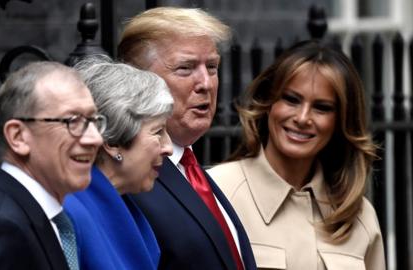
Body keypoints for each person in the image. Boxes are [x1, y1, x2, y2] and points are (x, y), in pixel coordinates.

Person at [207, 40, 386, 270]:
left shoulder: (360, 216)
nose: (302, 118)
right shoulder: (218, 193)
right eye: (291, 99)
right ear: (268, 102)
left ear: (341, 121)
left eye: (322, 107)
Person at [118, 7, 257, 270]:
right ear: (136, 78)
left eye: (212, 67)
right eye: (185, 68)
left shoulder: (192, 168)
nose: (206, 83)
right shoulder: (129, 178)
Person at [0, 61, 105, 270]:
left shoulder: (32, 213)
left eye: (94, 120)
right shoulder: (0, 230)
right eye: (73, 121)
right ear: (18, 136)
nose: (95, 138)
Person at [63, 58, 174, 270]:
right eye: (158, 132)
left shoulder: (126, 205)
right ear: (113, 142)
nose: (168, 147)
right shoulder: (69, 215)